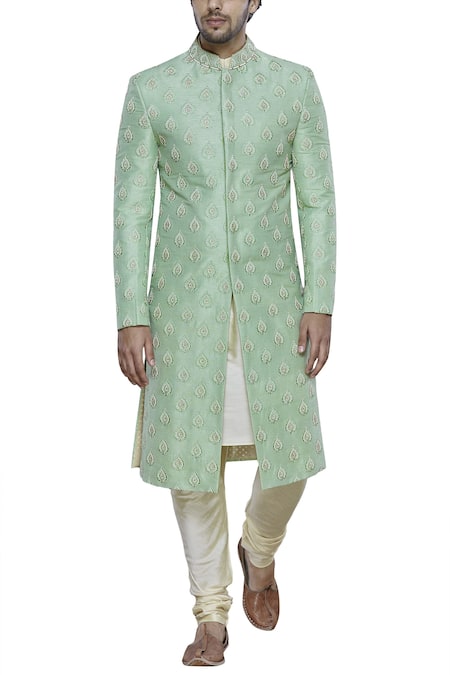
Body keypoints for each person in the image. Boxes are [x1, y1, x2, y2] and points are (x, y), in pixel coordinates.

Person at [113, 0, 336, 666]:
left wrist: (320, 299)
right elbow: (131, 210)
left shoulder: (293, 86)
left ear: (255, 1)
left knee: (291, 457)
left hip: (275, 304)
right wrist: (131, 311)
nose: (214, 3)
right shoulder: (152, 90)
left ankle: (258, 550)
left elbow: (318, 201)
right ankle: (210, 612)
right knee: (192, 467)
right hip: (184, 309)